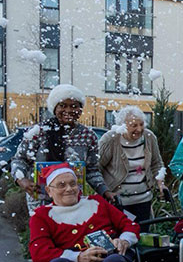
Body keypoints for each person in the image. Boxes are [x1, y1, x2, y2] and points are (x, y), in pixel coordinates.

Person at [11, 84, 112, 213]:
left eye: (74, 106)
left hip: (73, 201)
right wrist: (21, 180)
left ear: (80, 110)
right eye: (62, 106)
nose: (68, 110)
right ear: (54, 108)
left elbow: (91, 170)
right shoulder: (38, 132)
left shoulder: (88, 136)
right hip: (42, 201)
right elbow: (19, 160)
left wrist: (104, 190)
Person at [98, 106, 165, 227]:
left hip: (143, 200)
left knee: (142, 234)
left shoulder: (149, 137)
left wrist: (160, 182)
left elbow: (156, 163)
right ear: (123, 125)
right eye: (134, 125)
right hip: (118, 202)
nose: (139, 129)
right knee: (121, 234)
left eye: (141, 124)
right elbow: (97, 167)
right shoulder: (110, 139)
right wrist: (105, 191)